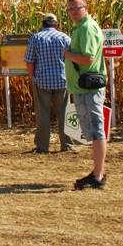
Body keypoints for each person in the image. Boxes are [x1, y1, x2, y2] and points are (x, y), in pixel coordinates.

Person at [64, 0, 108, 190]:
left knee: (97, 130)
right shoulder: (80, 27)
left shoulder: (86, 28)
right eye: (70, 9)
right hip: (82, 87)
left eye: (77, 8)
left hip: (89, 88)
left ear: (86, 8)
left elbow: (87, 59)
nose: (73, 11)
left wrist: (67, 54)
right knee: (92, 130)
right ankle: (97, 171)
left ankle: (98, 175)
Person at [24, 13, 74, 153]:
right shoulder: (64, 37)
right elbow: (72, 59)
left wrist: (33, 77)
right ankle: (67, 145)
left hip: (42, 81)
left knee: (43, 114)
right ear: (56, 24)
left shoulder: (36, 38)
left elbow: (29, 61)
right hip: (62, 80)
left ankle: (42, 147)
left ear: (43, 24)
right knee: (64, 113)